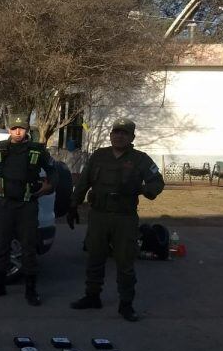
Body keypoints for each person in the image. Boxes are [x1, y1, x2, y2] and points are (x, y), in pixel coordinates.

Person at [67, 117, 165, 321]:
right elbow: (84, 181)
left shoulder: (140, 159)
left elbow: (157, 182)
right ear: (111, 135)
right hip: (99, 215)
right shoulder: (99, 156)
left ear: (132, 137)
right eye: (116, 132)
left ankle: (126, 304)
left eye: (124, 133)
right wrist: (72, 205)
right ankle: (92, 296)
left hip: (124, 217)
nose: (119, 136)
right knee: (95, 257)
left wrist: (142, 189)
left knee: (125, 261)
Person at [0, 113, 58, 305]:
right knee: (1, 244)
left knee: (28, 246)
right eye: (14, 128)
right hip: (5, 205)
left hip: (27, 205)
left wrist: (50, 186)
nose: (17, 132)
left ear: (26, 130)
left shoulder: (37, 151)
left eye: (21, 128)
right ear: (8, 130)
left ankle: (31, 290)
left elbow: (53, 171)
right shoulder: (0, 148)